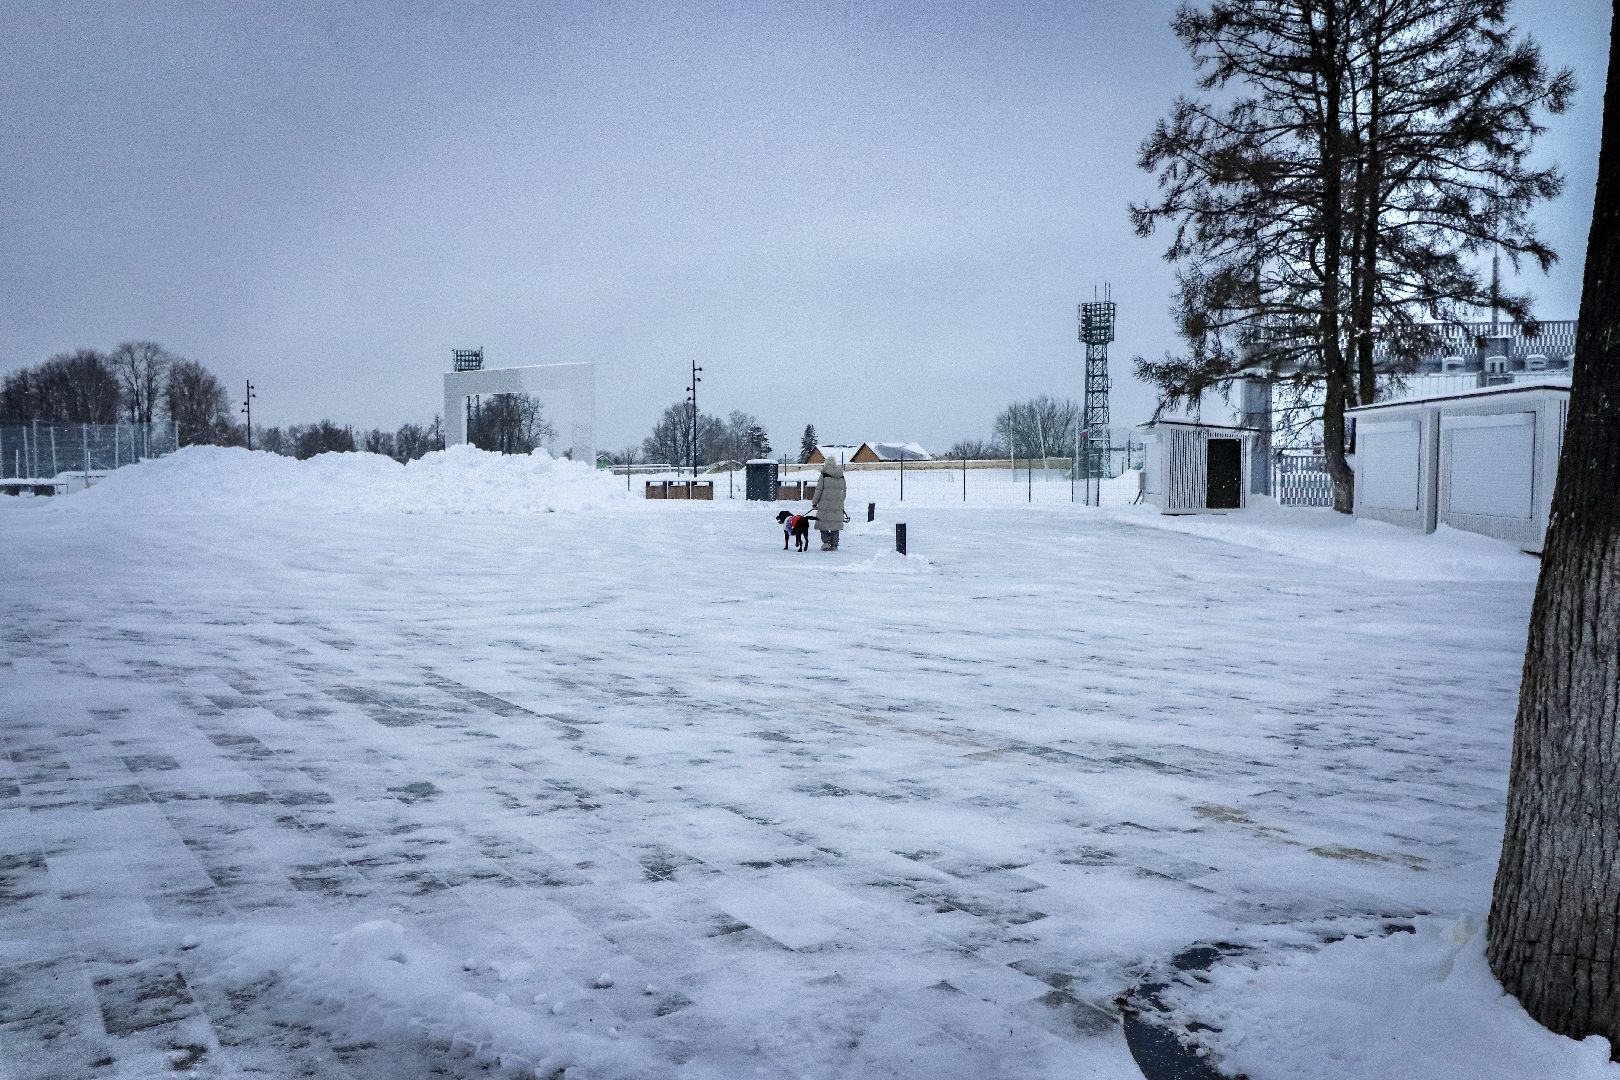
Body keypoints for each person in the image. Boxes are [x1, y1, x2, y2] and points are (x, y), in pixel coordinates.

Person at [811, 456, 847, 550]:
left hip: (825, 505)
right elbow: (844, 492)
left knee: (822, 524)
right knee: (835, 525)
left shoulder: (824, 475)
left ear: (826, 463)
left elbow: (818, 490)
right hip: (837, 506)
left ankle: (826, 542)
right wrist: (840, 501)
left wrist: (814, 502)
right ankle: (834, 544)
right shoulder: (841, 476)